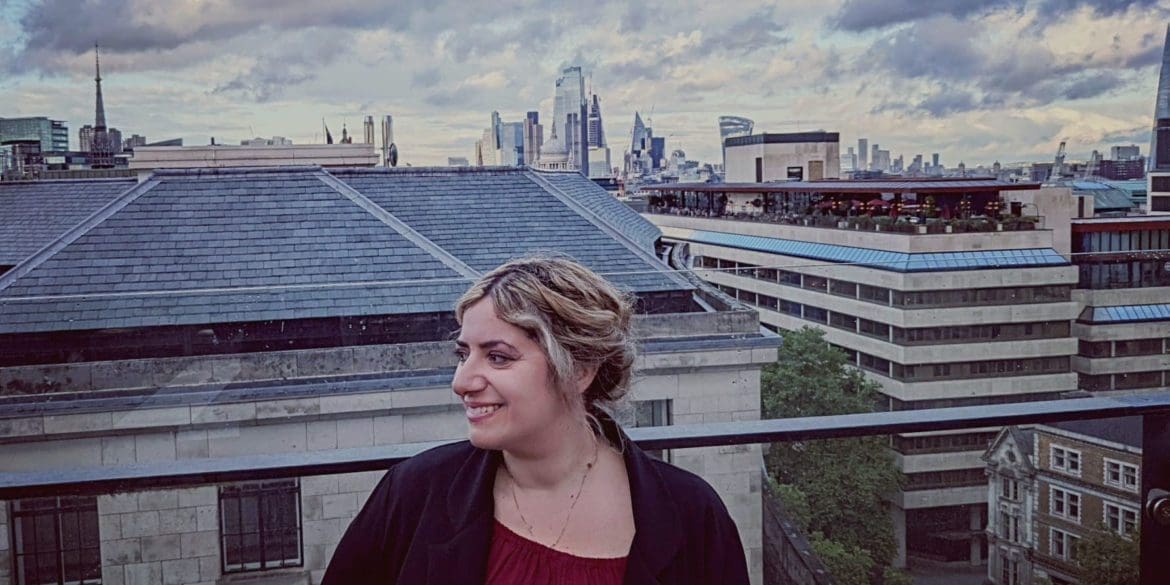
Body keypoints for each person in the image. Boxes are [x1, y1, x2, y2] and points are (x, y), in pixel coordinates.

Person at [321, 256, 749, 584]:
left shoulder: (693, 515)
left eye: (498, 357)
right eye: (463, 354)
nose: (462, 381)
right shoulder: (413, 493)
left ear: (580, 370)